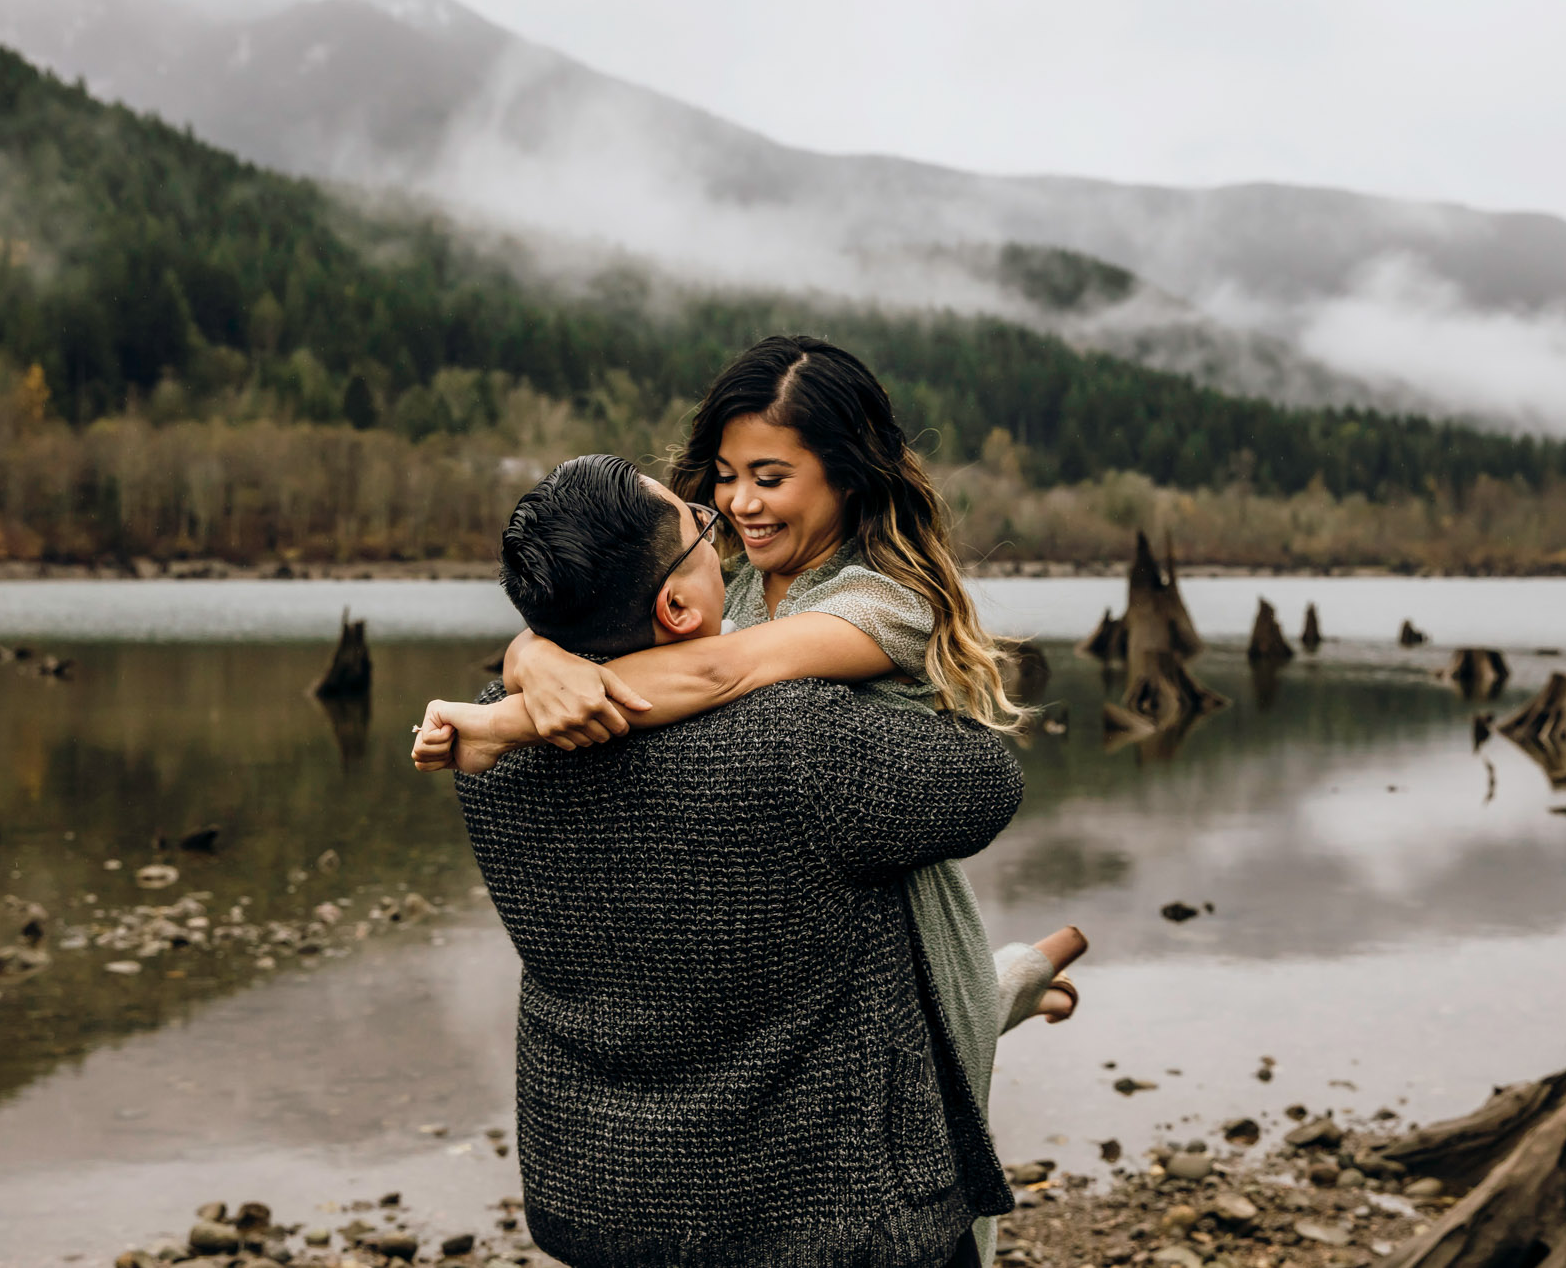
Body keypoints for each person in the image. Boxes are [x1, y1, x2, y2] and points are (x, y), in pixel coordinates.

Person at [417, 336, 1085, 1266]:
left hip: (909, 929)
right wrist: (536, 657)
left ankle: (993, 1009)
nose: (736, 502)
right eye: (725, 476)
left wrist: (515, 713)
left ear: (849, 477)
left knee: (944, 1165)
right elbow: (635, 629)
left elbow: (724, 665)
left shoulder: (881, 601)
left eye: (769, 476)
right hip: (800, 929)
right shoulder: (724, 577)